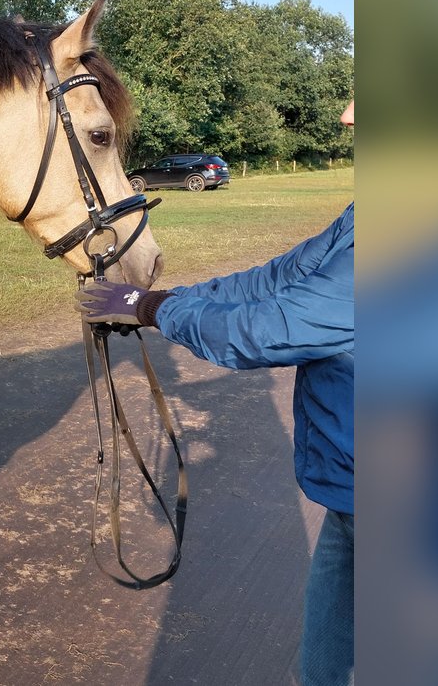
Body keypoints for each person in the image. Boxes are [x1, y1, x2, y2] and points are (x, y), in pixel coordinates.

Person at [79, 100, 355, 686]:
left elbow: (268, 331)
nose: (348, 115)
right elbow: (279, 279)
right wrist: (157, 301)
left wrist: (152, 308)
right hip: (356, 496)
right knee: (323, 666)